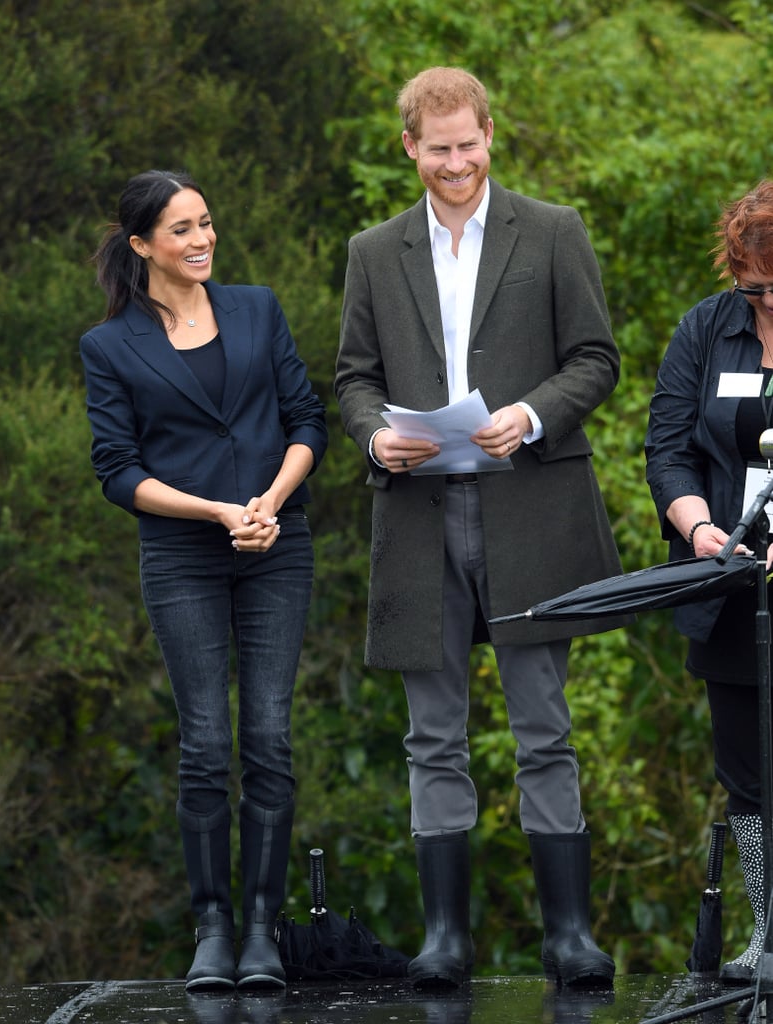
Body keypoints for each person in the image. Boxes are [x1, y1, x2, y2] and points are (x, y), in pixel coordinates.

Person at [334, 67, 629, 989]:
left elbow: (596, 357)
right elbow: (352, 378)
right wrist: (378, 435)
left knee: (544, 725)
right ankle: (446, 941)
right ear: (410, 148)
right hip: (421, 514)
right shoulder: (373, 251)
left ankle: (569, 937)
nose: (455, 162)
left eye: (469, 144)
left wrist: (533, 414)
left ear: (490, 136)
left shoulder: (552, 230)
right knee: (434, 735)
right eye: (438, 148)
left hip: (531, 503)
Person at [79, 170, 328, 992]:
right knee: (205, 747)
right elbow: (118, 473)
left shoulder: (257, 307)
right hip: (183, 555)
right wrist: (217, 511)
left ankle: (262, 925)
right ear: (142, 244)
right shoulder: (110, 345)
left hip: (276, 544)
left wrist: (269, 503)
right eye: (181, 230)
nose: (201, 241)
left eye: (207, 224)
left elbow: (306, 419)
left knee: (268, 738)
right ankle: (213, 927)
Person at [646, 179, 773, 984]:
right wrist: (699, 528)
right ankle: (769, 934)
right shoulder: (707, 326)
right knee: (747, 773)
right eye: (749, 286)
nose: (760, 303)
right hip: (732, 593)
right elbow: (669, 447)